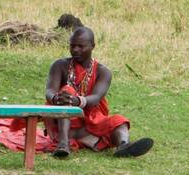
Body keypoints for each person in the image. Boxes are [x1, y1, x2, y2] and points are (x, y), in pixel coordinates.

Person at [44, 25, 153, 158]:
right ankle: (63, 145)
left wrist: (78, 101)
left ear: (92, 46)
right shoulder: (59, 65)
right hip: (63, 123)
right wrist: (57, 98)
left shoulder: (103, 71)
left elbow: (96, 98)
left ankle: (124, 145)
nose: (75, 50)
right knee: (67, 91)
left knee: (119, 121)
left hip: (91, 123)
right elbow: (49, 90)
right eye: (72, 46)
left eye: (80, 46)